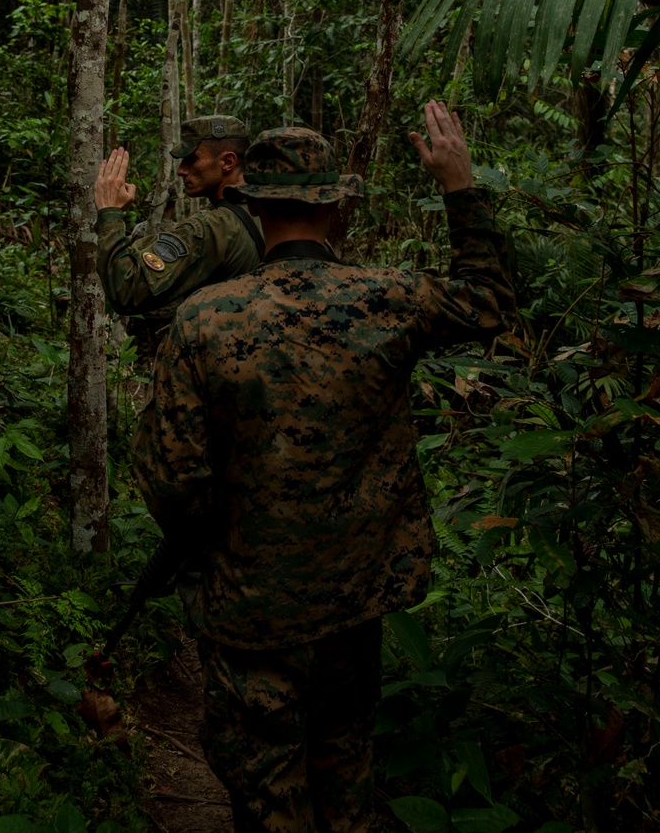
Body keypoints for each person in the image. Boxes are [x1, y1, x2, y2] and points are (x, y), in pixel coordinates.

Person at [132, 104, 515, 833]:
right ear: (337, 208)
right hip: (356, 599)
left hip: (251, 605)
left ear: (252, 203)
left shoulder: (206, 319)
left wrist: (212, 553)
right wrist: (460, 188)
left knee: (265, 785)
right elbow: (490, 303)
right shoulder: (391, 298)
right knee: (344, 765)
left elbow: (172, 478)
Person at [93, 115, 264, 353]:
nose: (182, 170)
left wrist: (109, 212)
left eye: (192, 159)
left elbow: (126, 289)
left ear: (227, 161)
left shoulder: (213, 228)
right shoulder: (272, 213)